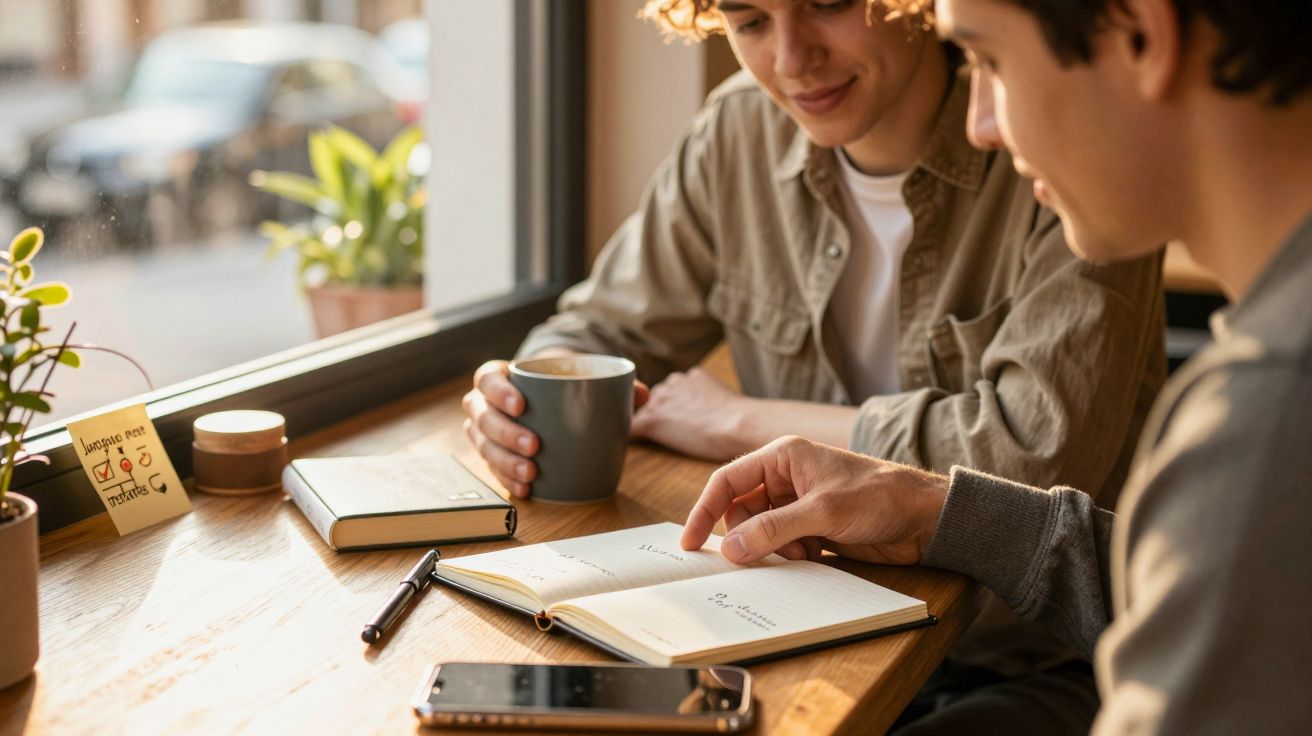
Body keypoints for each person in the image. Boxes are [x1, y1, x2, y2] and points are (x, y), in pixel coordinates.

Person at [464, 2, 1163, 732]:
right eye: (750, 21)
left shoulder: (1050, 139)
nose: (793, 59)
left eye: (828, 3)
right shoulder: (738, 131)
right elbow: (600, 331)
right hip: (794, 635)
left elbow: (1029, 458)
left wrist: (740, 420)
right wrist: (516, 397)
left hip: (1022, 662)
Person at [680, 0, 1312, 732]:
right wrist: (932, 512)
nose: (981, 123)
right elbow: (1193, 593)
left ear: (1143, 34)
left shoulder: (1267, 416)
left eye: (989, 62)